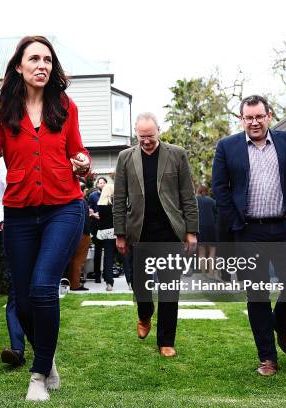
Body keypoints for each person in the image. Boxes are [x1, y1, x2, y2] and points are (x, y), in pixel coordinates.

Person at [0, 36, 91, 401]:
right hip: (19, 213)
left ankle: (38, 375)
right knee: (22, 301)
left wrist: (83, 161)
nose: (42, 65)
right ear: (19, 67)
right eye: (34, 59)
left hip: (64, 207)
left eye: (48, 60)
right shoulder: (2, 110)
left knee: (42, 287)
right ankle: (47, 354)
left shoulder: (65, 106)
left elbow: (78, 151)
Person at [212, 94, 286, 376]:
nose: (254, 122)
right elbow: (220, 190)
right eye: (249, 117)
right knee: (256, 295)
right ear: (241, 119)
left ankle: (281, 326)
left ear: (269, 116)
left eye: (259, 116)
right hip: (249, 233)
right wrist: (235, 225)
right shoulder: (227, 147)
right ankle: (267, 357)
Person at [113, 112, 198, 357]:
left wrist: (191, 231)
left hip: (171, 233)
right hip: (138, 234)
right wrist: (120, 234)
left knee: (170, 289)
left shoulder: (177, 154)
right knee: (141, 287)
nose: (147, 141)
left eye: (150, 136)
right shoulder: (125, 158)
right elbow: (119, 198)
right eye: (142, 137)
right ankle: (144, 313)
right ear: (136, 134)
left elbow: (188, 196)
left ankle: (166, 341)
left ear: (159, 131)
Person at [0, 157, 27, 366]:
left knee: (39, 289)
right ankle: (17, 349)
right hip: (13, 231)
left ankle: (42, 343)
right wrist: (1, 220)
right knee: (16, 290)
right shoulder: (2, 163)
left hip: (42, 230)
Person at [96, 183, 116, 291]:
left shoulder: (100, 204)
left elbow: (101, 220)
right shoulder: (114, 204)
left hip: (105, 233)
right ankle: (130, 281)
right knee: (125, 258)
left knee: (108, 258)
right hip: (117, 233)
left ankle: (109, 283)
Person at [68, 197, 90, 291]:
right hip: (83, 233)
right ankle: (75, 284)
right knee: (79, 260)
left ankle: (72, 282)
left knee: (73, 259)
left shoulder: (72, 200)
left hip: (75, 232)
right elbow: (84, 218)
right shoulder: (81, 201)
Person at [195, 185, 218, 279]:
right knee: (212, 250)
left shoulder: (195, 200)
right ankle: (211, 273)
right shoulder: (212, 201)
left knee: (201, 252)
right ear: (206, 192)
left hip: (199, 227)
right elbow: (217, 215)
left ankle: (204, 274)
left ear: (199, 191)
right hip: (211, 227)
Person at [87, 177, 107, 283]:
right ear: (97, 184)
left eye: (104, 182)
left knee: (108, 252)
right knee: (98, 252)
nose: (102, 184)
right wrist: (94, 214)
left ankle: (107, 274)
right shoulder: (92, 196)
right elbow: (89, 209)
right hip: (96, 226)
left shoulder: (110, 195)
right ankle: (97, 276)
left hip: (108, 226)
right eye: (100, 182)